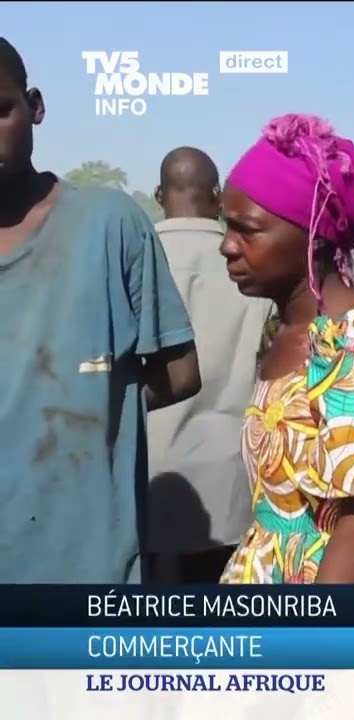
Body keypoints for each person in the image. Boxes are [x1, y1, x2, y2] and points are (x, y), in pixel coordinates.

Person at [217, 113, 354, 669]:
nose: (227, 247)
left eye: (247, 230)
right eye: (226, 227)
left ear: (312, 234)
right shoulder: (284, 332)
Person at [0, 37, 201, 583]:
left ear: (35, 106)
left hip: (88, 573)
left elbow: (180, 373)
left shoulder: (111, 225)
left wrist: (87, 404)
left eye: (1, 110)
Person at [145, 146, 266, 584]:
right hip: (228, 479)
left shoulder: (135, 255)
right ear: (217, 195)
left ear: (159, 194)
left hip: (146, 474)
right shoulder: (251, 261)